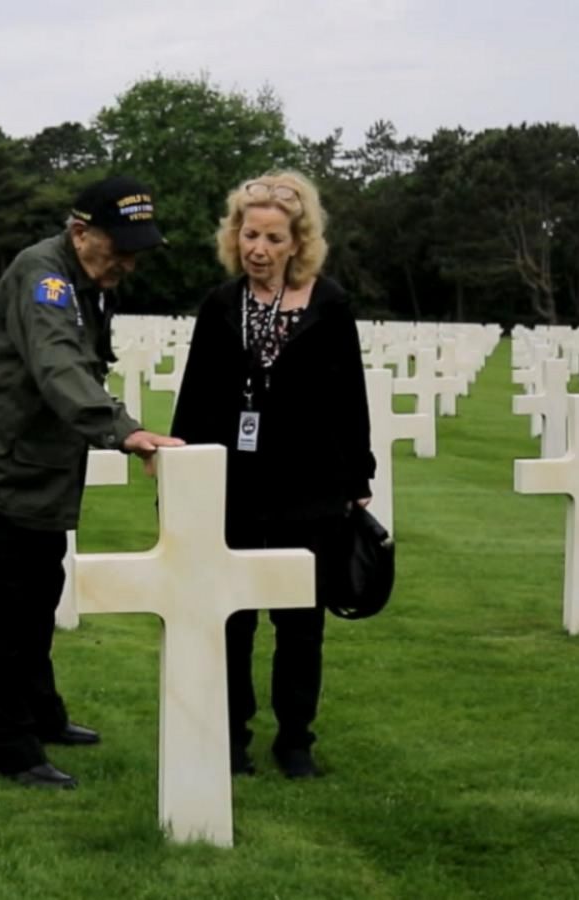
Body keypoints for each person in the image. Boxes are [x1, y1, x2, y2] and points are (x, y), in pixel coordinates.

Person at [0, 175, 185, 790]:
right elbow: (57, 363)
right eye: (116, 247)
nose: (126, 261)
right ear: (79, 231)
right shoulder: (42, 275)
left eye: (135, 250)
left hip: (36, 476)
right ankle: (10, 749)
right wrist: (122, 429)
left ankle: (41, 716)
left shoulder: (90, 282)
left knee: (36, 604)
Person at [169, 171, 374, 780]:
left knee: (300, 621)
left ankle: (295, 740)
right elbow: (197, 394)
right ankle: (230, 737)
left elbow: (349, 398)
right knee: (231, 618)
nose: (258, 248)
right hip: (232, 487)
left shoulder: (329, 304)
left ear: (297, 242)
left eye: (273, 238)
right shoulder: (220, 305)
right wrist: (180, 472)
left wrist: (356, 477)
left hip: (309, 487)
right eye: (249, 234)